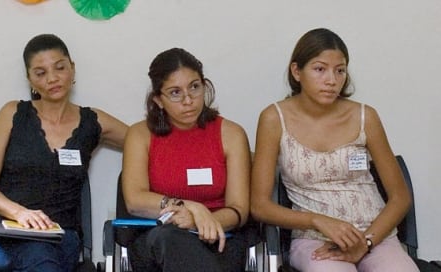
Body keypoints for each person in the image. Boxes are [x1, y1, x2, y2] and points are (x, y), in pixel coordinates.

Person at [250, 28, 419, 271]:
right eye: (320, 69)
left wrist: (368, 241)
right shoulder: (274, 119)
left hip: (375, 237)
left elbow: (400, 197)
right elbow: (259, 206)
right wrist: (317, 221)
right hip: (314, 240)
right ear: (297, 71)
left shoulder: (365, 116)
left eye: (340, 71)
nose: (332, 80)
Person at [0, 33, 128, 272]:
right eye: (40, 73)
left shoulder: (92, 121)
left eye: (59, 68)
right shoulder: (13, 113)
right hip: (8, 231)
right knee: (39, 258)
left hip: (61, 236)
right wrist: (20, 213)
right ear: (30, 80)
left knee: (44, 256)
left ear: (72, 69)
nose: (52, 78)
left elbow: (144, 144)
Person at [121, 48, 251, 272]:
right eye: (175, 92)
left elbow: (239, 209)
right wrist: (192, 207)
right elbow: (135, 201)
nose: (188, 100)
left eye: (194, 87)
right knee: (171, 239)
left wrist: (203, 222)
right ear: (158, 100)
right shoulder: (140, 134)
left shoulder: (231, 134)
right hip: (158, 239)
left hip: (219, 236)